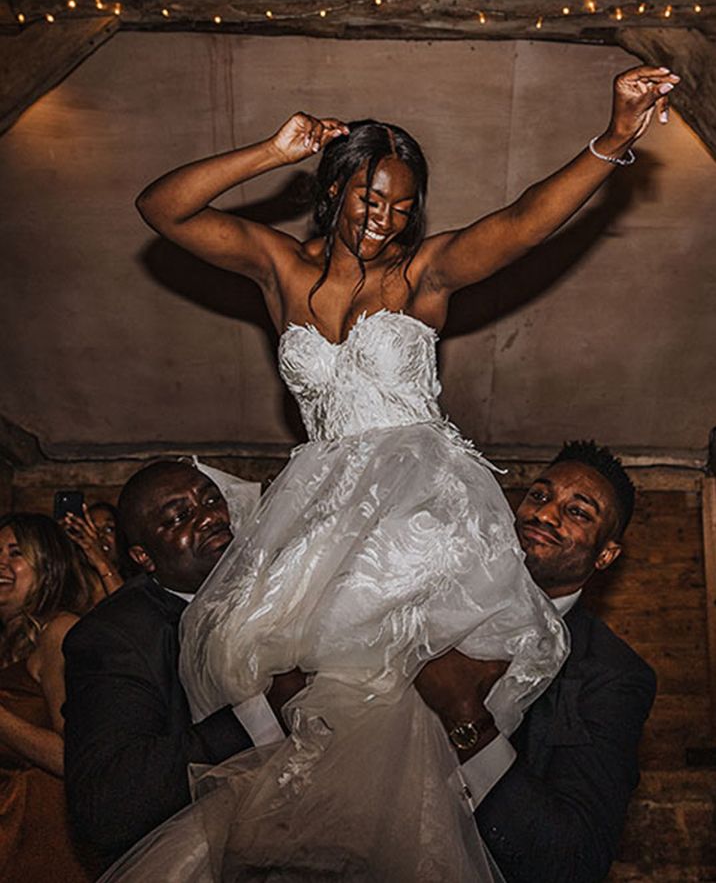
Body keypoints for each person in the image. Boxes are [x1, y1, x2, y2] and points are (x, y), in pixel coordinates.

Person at [113, 65, 676, 881]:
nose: (387, 220)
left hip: (416, 504)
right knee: (303, 700)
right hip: (317, 506)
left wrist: (616, 137)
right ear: (334, 190)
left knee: (394, 694)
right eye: (371, 201)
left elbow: (523, 223)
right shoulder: (279, 268)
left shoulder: (423, 274)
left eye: (404, 205)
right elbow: (160, 208)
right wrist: (272, 149)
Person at [416, 441, 657, 883]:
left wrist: (464, 715)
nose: (544, 515)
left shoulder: (610, 675)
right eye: (540, 496)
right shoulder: (431, 601)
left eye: (578, 512)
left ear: (606, 554)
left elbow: (571, 863)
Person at [62, 460, 303, 869]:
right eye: (180, 516)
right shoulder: (114, 636)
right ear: (143, 556)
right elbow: (106, 803)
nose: (210, 516)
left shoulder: (282, 589)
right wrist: (263, 715)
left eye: (212, 500)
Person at [0, 513, 92, 882]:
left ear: (49, 567)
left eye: (15, 553)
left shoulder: (60, 632)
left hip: (42, 844)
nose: (0, 564)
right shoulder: (9, 642)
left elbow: (74, 758)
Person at [61, 501, 125, 604]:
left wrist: (101, 561)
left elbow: (128, 609)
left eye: (109, 529)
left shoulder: (139, 584)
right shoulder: (68, 593)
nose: (99, 536)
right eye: (91, 529)